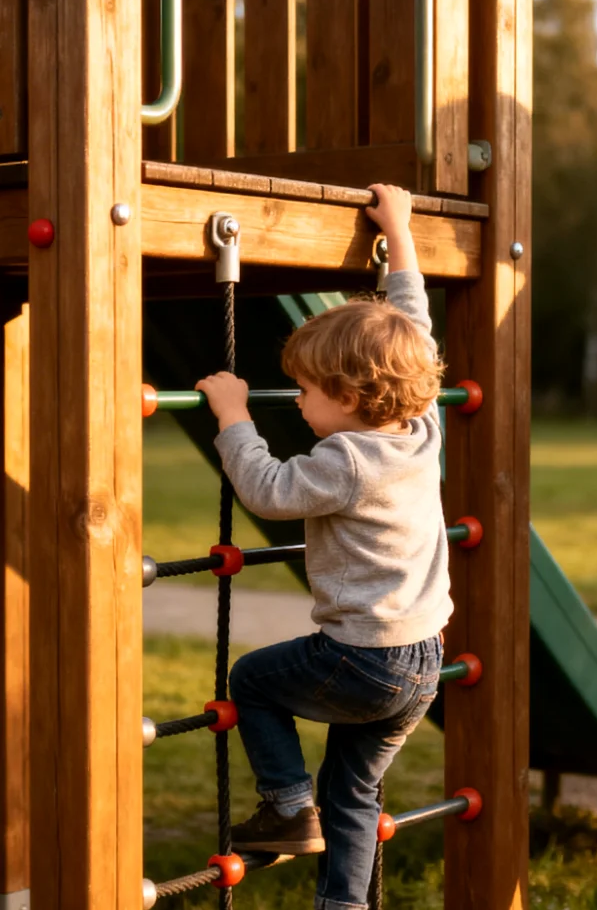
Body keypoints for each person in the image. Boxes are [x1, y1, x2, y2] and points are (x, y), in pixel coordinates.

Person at [197, 183, 451, 910]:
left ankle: (284, 803)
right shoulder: (420, 420)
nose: (300, 401)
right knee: (357, 788)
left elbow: (269, 490)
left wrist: (234, 415)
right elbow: (412, 318)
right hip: (422, 662)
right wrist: (397, 233)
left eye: (306, 390)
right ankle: (344, 903)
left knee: (250, 680)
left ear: (347, 393)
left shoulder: (343, 460)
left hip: (361, 657)